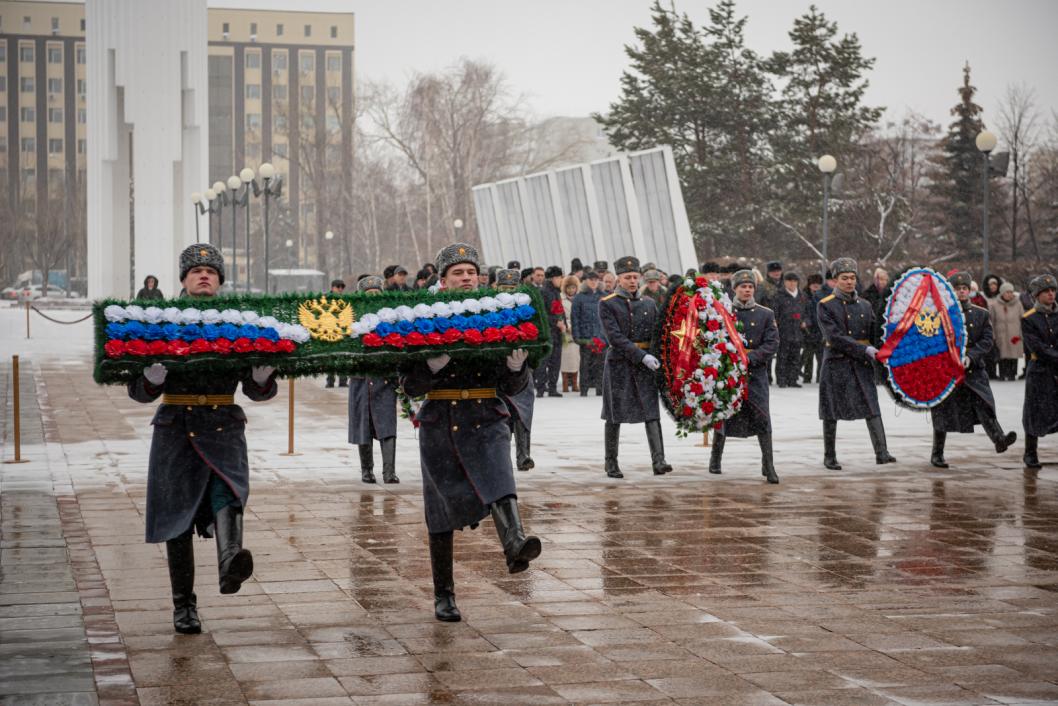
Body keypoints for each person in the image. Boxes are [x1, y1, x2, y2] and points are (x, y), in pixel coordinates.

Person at [128, 243, 277, 634]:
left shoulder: (238, 320)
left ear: (221, 281)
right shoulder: (158, 320)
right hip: (175, 427)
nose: (204, 275)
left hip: (223, 423)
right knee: (177, 519)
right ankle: (184, 606)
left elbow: (255, 387)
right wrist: (150, 378)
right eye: (196, 271)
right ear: (183, 280)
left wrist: (261, 377)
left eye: (212, 271)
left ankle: (230, 564)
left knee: (228, 494)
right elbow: (137, 391)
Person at [399, 243, 540, 622]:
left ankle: (515, 543)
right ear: (442, 282)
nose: (466, 278)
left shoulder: (497, 314)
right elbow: (409, 384)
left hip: (485, 415)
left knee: (500, 478)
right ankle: (444, 594)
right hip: (440, 420)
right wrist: (430, 365)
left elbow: (511, 386)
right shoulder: (423, 318)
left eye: (471, 272)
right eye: (457, 273)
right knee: (440, 513)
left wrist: (515, 367)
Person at [929, 272, 1017, 468]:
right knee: (942, 411)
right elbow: (934, 340)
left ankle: (999, 439)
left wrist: (971, 356)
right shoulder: (941, 315)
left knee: (984, 403)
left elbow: (987, 340)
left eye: (965, 288)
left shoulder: (981, 313)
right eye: (957, 288)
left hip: (974, 369)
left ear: (969, 291)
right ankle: (937, 453)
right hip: (947, 371)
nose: (961, 291)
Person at [817, 257, 896, 469]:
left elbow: (874, 332)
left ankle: (882, 452)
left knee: (872, 406)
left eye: (852, 278)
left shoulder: (865, 304)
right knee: (831, 411)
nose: (850, 282)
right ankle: (829, 456)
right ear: (836, 280)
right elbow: (835, 337)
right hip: (837, 363)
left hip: (861, 364)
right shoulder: (825, 306)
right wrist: (865, 349)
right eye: (844, 278)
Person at [599, 256, 672, 478]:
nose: (632, 281)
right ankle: (611, 462)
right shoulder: (608, 303)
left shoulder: (649, 303)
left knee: (651, 412)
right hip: (620, 364)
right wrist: (642, 356)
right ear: (619, 279)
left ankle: (659, 460)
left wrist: (661, 355)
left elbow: (658, 333)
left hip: (645, 366)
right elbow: (616, 338)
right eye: (627, 277)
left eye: (634, 277)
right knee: (615, 414)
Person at [709, 270, 780, 483]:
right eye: (742, 286)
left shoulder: (765, 314)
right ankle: (715, 459)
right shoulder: (722, 312)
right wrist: (730, 358)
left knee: (762, 417)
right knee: (724, 416)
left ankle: (768, 465)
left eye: (750, 286)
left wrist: (751, 359)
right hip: (728, 373)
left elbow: (772, 343)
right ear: (735, 289)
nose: (747, 290)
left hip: (755, 374)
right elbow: (713, 339)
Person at [347, 275, 399, 484]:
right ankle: (366, 470)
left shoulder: (390, 319)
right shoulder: (352, 321)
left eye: (377, 294)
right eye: (369, 295)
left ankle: (389, 472)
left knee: (387, 425)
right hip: (360, 380)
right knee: (363, 426)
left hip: (383, 380)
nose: (373, 298)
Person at [496, 268, 536, 471]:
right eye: (505, 288)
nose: (509, 292)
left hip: (523, 368)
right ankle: (502, 456)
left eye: (513, 288)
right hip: (499, 369)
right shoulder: (490, 308)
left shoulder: (528, 307)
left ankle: (523, 455)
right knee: (503, 414)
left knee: (523, 413)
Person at [1021, 274, 1058, 469]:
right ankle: (1030, 453)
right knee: (1034, 412)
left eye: (1053, 290)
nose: (1051, 294)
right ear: (1037, 295)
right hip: (1039, 370)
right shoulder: (1029, 319)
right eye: (1046, 292)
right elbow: (1037, 346)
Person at [572, 271, 605, 396]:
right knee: (585, 364)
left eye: (596, 280)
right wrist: (577, 336)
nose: (593, 282)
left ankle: (600, 389)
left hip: (601, 335)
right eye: (591, 279)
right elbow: (575, 318)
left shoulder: (604, 296)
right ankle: (584, 389)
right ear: (586, 281)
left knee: (601, 365)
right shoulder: (579, 297)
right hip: (586, 336)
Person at [534, 266, 566, 397]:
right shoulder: (543, 292)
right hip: (546, 332)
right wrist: (555, 321)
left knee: (556, 361)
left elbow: (559, 310)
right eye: (559, 277)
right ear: (553, 278)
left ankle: (552, 387)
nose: (561, 280)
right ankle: (541, 388)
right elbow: (540, 314)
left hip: (557, 332)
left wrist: (563, 322)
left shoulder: (556, 292)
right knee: (544, 361)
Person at [773, 271, 807, 388]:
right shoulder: (779, 295)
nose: (792, 284)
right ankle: (781, 379)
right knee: (782, 356)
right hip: (784, 330)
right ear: (785, 282)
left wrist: (806, 322)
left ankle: (793, 379)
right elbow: (775, 313)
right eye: (789, 281)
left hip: (798, 331)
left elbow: (808, 313)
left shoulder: (802, 296)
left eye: (794, 281)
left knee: (796, 357)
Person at [989, 282, 1024, 381]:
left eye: (1011, 292)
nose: (1009, 294)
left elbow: (1023, 320)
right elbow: (991, 321)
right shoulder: (995, 305)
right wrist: (993, 335)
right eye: (1007, 292)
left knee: (1013, 355)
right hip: (1001, 334)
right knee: (1002, 355)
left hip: (1015, 334)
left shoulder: (1018, 304)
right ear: (1002, 293)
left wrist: (1021, 335)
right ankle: (1002, 374)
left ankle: (1012, 373)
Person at [325, 279, 350, 388]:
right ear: (332, 287)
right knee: (330, 356)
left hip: (342, 330)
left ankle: (343, 381)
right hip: (329, 330)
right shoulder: (325, 299)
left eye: (342, 287)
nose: (340, 289)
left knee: (342, 356)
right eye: (338, 286)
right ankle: (330, 381)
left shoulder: (345, 299)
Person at [802, 273, 824, 383]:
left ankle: (821, 377)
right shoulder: (804, 295)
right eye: (813, 284)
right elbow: (803, 311)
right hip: (808, 331)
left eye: (818, 284)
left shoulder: (824, 296)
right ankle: (807, 376)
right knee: (808, 356)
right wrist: (806, 321)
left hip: (821, 330)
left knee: (821, 357)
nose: (815, 286)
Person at [560, 275, 581, 392]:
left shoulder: (579, 299)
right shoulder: (560, 299)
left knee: (576, 358)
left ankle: (574, 382)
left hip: (576, 331)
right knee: (565, 358)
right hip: (565, 332)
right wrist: (567, 325)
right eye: (568, 287)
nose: (571, 290)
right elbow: (559, 314)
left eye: (573, 287)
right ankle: (564, 382)